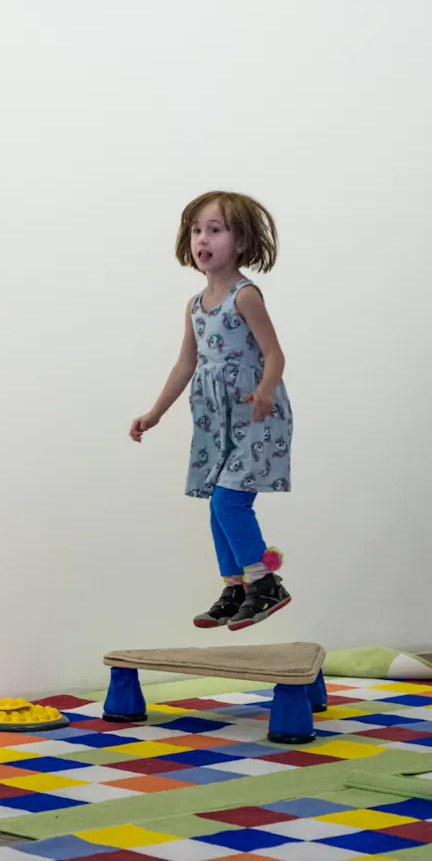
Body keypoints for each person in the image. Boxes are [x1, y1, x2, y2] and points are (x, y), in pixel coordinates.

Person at [131, 191, 293, 630]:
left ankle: (265, 582)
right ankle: (237, 585)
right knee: (216, 506)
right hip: (216, 423)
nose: (203, 239)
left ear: (240, 242)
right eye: (197, 230)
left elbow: (275, 354)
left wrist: (264, 391)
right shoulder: (194, 306)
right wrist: (156, 412)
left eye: (215, 230)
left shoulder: (245, 296)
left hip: (257, 416)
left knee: (228, 501)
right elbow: (186, 364)